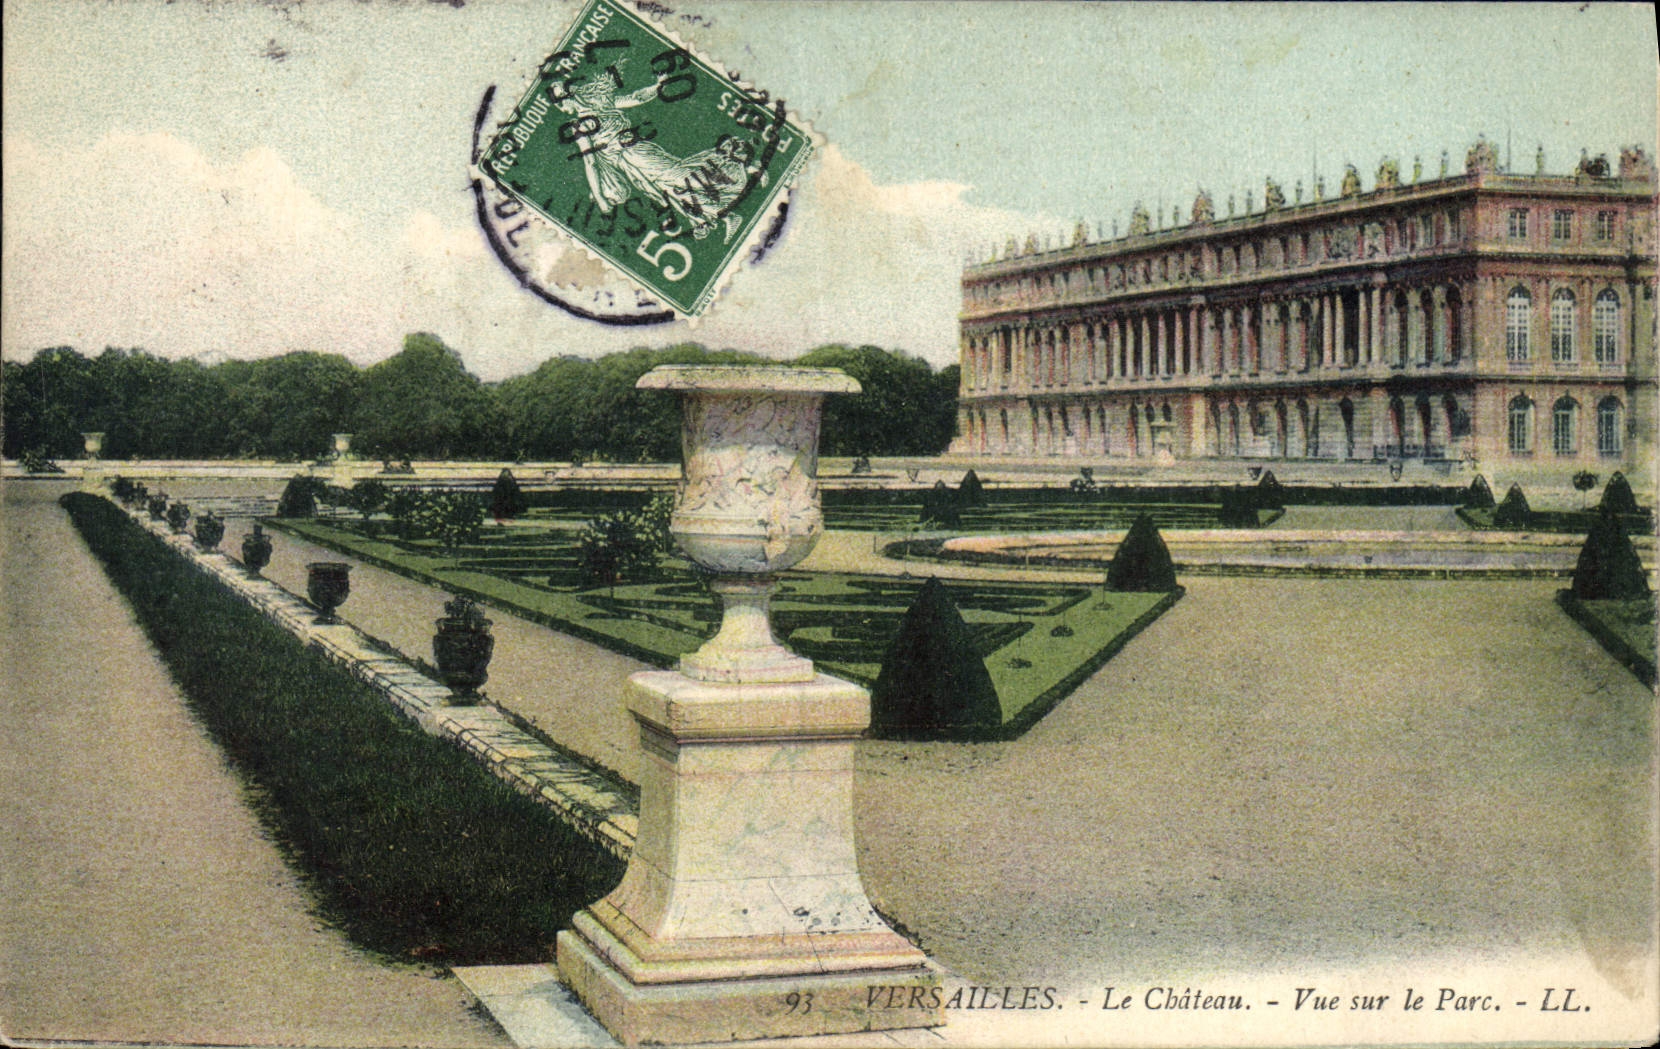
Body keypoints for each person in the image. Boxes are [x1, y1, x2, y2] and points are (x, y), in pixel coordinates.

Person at [555, 70, 762, 242]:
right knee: (668, 187)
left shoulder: (581, 125)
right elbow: (636, 98)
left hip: (633, 154)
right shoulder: (601, 103)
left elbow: (590, 162)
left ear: (568, 100)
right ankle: (707, 217)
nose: (561, 108)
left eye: (560, 102)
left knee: (678, 178)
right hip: (632, 159)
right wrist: (658, 86)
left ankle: (738, 178)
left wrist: (600, 198)